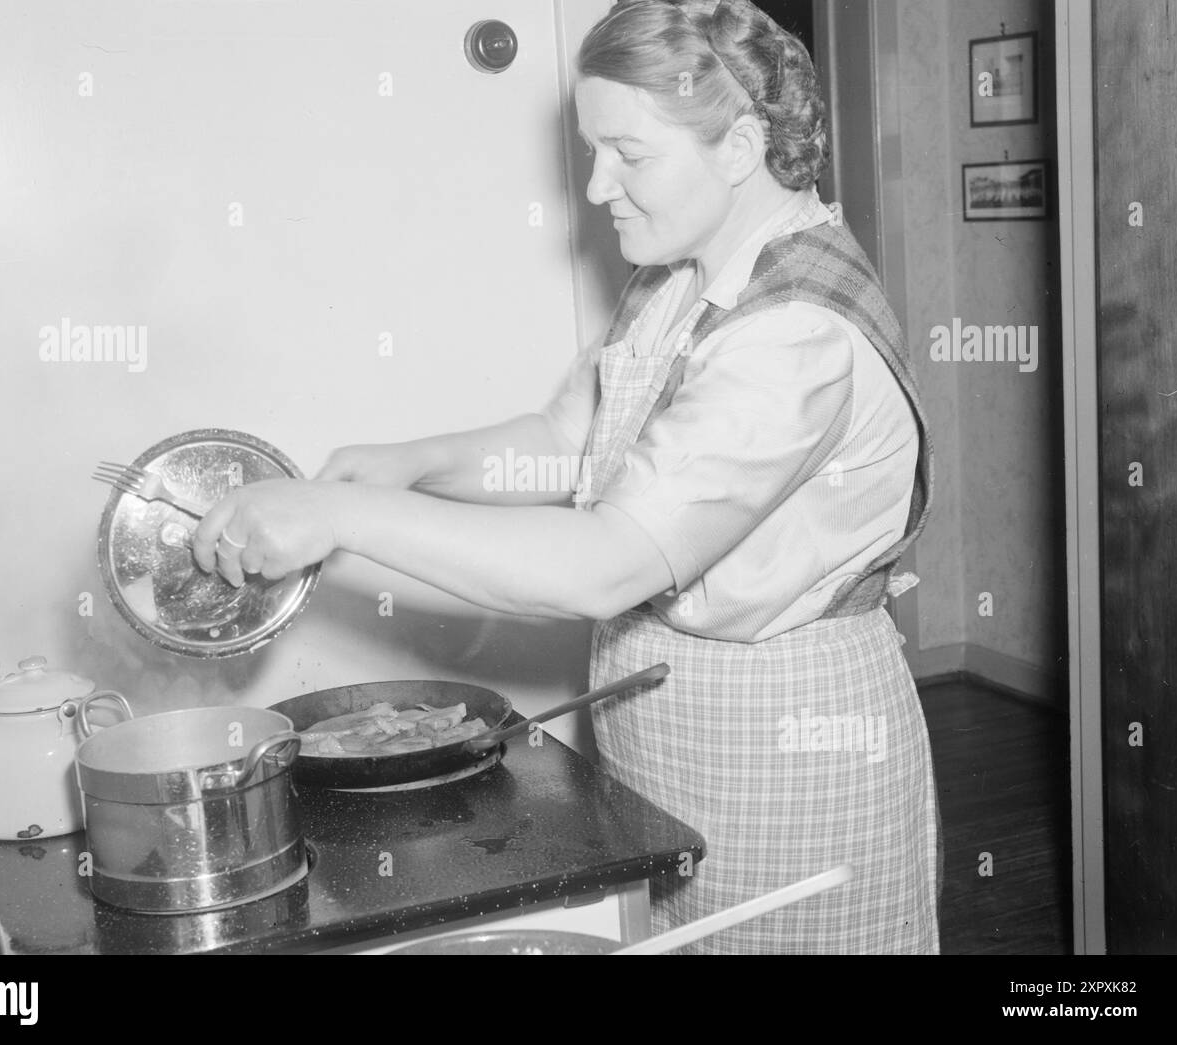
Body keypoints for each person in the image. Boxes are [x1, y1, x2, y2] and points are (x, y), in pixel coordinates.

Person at [191, 0, 940, 954]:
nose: (597, 187)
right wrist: (410, 464)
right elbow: (568, 436)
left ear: (742, 145)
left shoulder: (796, 333)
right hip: (673, 718)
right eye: (594, 152)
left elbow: (608, 562)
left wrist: (345, 514)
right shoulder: (684, 278)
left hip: (788, 737)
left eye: (628, 153)